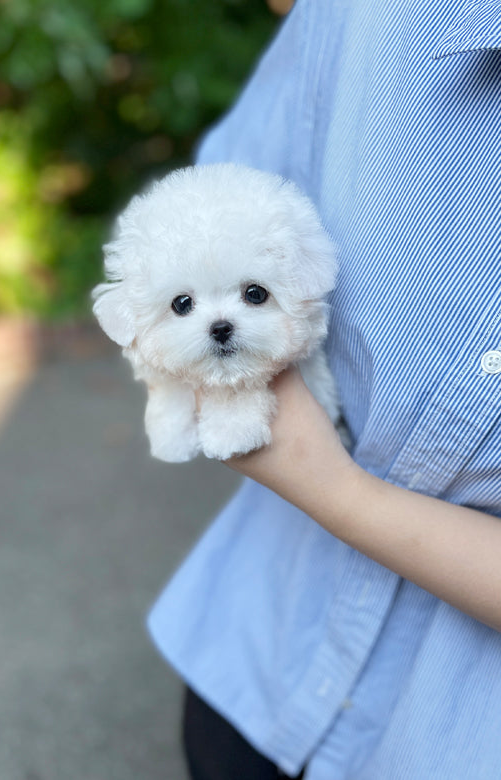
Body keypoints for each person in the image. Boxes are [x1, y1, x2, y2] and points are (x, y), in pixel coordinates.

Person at [148, 1, 501, 777]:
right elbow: (196, 235)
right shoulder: (367, 18)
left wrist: (332, 488)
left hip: (445, 742)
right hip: (253, 653)